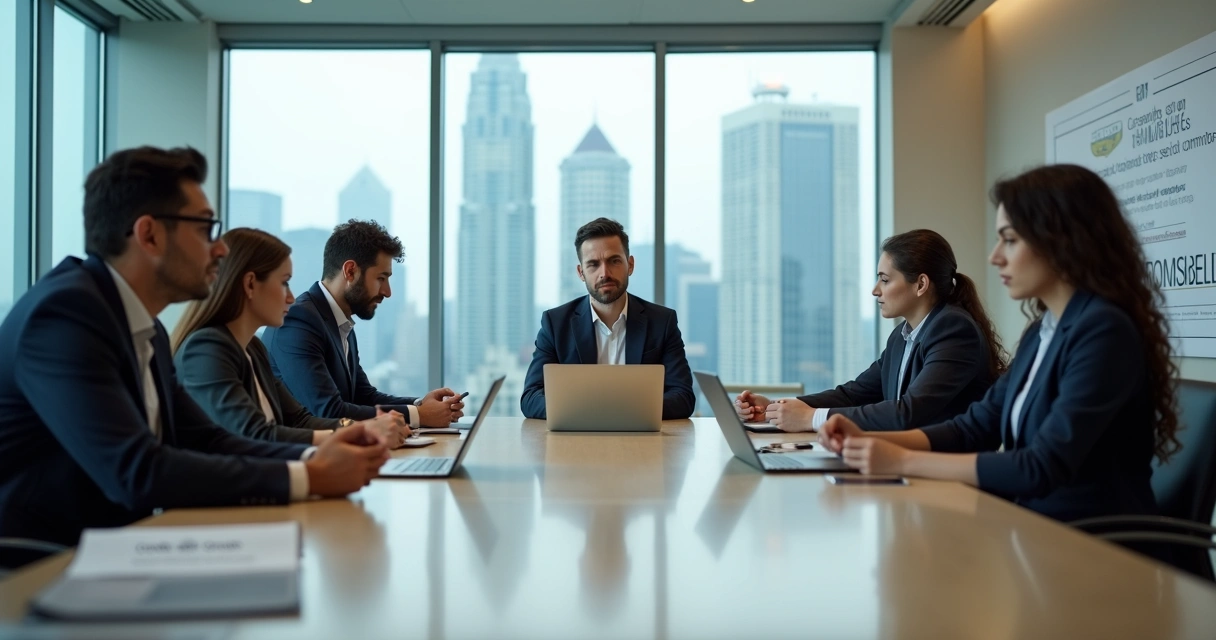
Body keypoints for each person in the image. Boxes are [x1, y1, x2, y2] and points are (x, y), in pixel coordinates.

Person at [0, 146, 390, 546]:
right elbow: (137, 471)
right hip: (43, 568)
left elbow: (207, 439)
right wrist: (310, 475)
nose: (220, 249)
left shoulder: (143, 326)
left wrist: (316, 457)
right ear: (149, 234)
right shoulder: (65, 317)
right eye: (206, 229)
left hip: (120, 551)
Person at [819, 164, 1181, 523]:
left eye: (1010, 239)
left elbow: (1040, 466)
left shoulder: (1104, 331)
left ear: (1062, 241)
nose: (995, 256)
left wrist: (900, 460)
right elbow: (974, 426)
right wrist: (870, 439)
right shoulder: (1044, 330)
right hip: (1033, 527)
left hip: (1092, 545)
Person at [735, 229, 1007, 432]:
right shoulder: (902, 336)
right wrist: (776, 407)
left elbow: (908, 413)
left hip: (950, 479)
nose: (875, 290)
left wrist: (811, 418)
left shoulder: (953, 329)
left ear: (921, 284)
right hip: (906, 464)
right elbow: (853, 394)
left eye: (885, 280)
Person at [171, 228, 411, 447]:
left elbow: (300, 420)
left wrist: (366, 428)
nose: (290, 297)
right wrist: (361, 432)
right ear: (251, 284)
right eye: (284, 283)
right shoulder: (205, 349)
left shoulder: (253, 349)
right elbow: (256, 434)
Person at [262, 219, 464, 426]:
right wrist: (419, 415)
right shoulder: (298, 321)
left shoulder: (341, 322)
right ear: (350, 271)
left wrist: (422, 404)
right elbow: (327, 411)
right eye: (381, 278)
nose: (387, 291)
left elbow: (363, 396)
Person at [521, 218, 695, 420]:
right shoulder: (555, 323)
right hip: (575, 445)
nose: (605, 273)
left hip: (644, 444)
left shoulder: (662, 322)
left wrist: (618, 411)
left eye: (614, 261)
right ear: (581, 273)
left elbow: (683, 397)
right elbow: (530, 398)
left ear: (630, 265)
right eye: (593, 264)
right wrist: (594, 412)